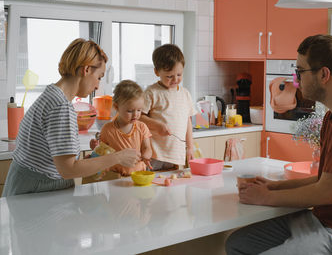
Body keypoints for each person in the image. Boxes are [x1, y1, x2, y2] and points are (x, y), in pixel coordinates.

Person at [226, 35, 332, 255]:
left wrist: (266, 197)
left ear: (324, 74)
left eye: (300, 71)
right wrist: (271, 185)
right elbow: (324, 180)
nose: (296, 80)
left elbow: (325, 193)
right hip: (328, 223)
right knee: (238, 244)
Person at [2, 38, 140, 197]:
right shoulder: (60, 107)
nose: (97, 86)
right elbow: (68, 170)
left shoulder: (51, 95)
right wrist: (118, 157)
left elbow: (57, 158)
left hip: (25, 185)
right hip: (39, 189)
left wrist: (90, 161)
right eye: (99, 77)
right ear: (86, 70)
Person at [140, 44, 196, 170]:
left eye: (179, 74)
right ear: (156, 72)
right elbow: (139, 118)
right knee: (151, 187)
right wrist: (157, 125)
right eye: (169, 76)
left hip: (176, 155)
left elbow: (187, 122)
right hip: (154, 154)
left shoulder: (185, 94)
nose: (175, 79)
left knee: (172, 187)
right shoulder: (152, 92)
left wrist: (190, 148)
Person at [90, 80, 152, 178]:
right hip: (115, 176)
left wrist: (146, 155)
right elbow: (102, 153)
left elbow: (147, 148)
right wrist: (95, 147)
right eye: (130, 111)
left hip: (138, 174)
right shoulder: (107, 129)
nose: (136, 114)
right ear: (116, 107)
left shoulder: (142, 127)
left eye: (139, 110)